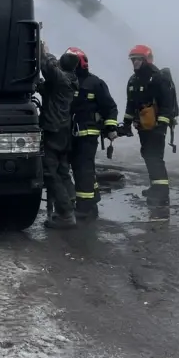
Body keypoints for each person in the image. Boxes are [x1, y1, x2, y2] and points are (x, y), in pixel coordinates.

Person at [63, 47, 119, 221]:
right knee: (83, 168)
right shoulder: (66, 81)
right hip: (72, 134)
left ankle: (85, 207)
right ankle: (92, 199)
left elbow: (110, 107)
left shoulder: (95, 83)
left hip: (88, 134)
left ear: (80, 62)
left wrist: (111, 127)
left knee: (83, 169)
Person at [117, 44, 174, 217]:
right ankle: (155, 187)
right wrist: (126, 124)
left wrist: (161, 124)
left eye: (138, 60)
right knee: (147, 154)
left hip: (156, 126)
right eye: (133, 60)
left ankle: (162, 194)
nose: (135, 63)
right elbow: (130, 104)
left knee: (155, 157)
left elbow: (167, 104)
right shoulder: (133, 81)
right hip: (143, 125)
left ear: (147, 59)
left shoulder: (158, 78)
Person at [38, 41, 80, 229]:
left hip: (53, 130)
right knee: (63, 171)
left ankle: (65, 213)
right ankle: (70, 204)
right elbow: (47, 89)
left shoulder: (61, 79)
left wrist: (44, 51)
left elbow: (48, 67)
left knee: (50, 172)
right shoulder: (70, 79)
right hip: (63, 131)